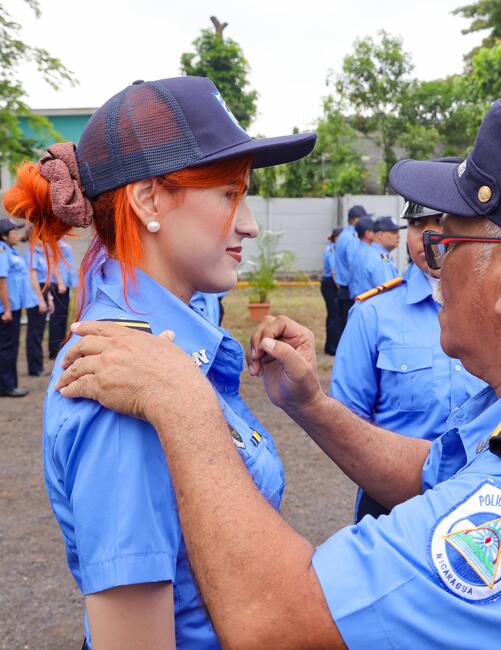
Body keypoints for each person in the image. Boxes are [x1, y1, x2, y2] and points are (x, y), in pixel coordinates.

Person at [58, 98, 501, 648]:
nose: (428, 263)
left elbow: (277, 622)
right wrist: (313, 406)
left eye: (446, 243)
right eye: (231, 195)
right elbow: (436, 476)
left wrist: (183, 403)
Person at [2, 75, 316, 648]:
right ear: (148, 200)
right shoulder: (126, 384)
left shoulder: (161, 352)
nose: (248, 223)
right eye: (228, 194)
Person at [332, 199, 486, 521]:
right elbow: (347, 423)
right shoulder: (373, 315)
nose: (425, 236)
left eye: (440, 221)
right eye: (417, 224)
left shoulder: (500, 312)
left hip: (482, 499)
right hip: (394, 507)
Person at [0, 218, 32, 397]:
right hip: (7, 308)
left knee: (9, 346)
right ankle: (7, 386)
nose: (17, 235)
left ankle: (6, 384)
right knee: (8, 348)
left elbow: (25, 237)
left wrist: (30, 223)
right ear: (5, 236)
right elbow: (1, 282)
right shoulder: (2, 251)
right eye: (14, 232)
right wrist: (6, 309)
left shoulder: (9, 248)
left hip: (12, 306)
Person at [334, 205, 369, 333]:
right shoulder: (352, 238)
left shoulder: (344, 234)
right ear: (356, 220)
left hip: (344, 288)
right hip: (350, 290)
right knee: (351, 329)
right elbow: (355, 265)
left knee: (344, 325)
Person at [348, 216, 399, 299]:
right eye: (394, 232)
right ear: (381, 235)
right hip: (376, 308)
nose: (398, 236)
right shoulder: (380, 258)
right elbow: (388, 295)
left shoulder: (363, 251)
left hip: (361, 304)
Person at [23, 239, 54, 376]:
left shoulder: (41, 252)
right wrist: (40, 300)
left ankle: (38, 365)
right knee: (34, 332)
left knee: (39, 331)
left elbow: (46, 278)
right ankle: (34, 367)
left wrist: (49, 298)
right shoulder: (31, 254)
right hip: (35, 293)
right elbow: (33, 279)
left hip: (43, 291)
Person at [47, 238, 77, 359]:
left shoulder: (62, 242)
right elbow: (53, 262)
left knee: (63, 317)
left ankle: (60, 345)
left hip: (66, 284)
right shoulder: (54, 243)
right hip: (60, 285)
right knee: (57, 318)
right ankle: (54, 349)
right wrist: (60, 282)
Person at [320, 227, 341, 355]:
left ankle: (329, 346)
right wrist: (340, 288)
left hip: (329, 283)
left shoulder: (331, 247)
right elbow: (334, 271)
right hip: (331, 283)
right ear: (335, 237)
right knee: (334, 316)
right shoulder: (333, 249)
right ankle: (332, 348)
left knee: (332, 316)